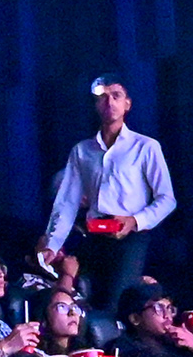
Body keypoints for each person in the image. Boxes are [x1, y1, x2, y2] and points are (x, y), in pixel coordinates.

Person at [36, 76, 176, 315]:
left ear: (127, 104)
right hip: (94, 233)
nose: (109, 102)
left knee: (117, 304)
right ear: (95, 105)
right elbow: (67, 203)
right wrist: (53, 243)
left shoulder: (145, 146)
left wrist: (134, 221)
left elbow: (167, 199)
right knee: (85, 301)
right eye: (102, 97)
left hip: (130, 236)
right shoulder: (82, 150)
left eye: (116, 96)